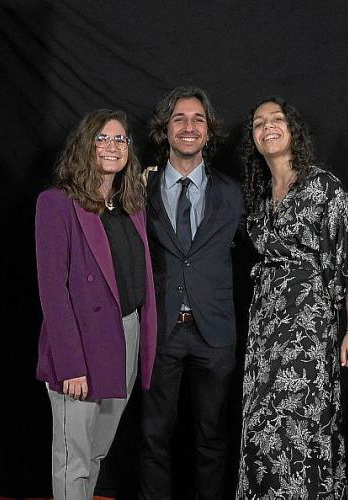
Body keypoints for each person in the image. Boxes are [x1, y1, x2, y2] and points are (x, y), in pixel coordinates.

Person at [236, 96, 348, 499]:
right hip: (264, 327)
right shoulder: (261, 195)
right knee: (262, 425)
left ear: (293, 129)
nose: (268, 127)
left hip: (308, 327)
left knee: (303, 422)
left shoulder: (323, 186)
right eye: (259, 123)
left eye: (277, 119)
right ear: (253, 138)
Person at [35, 109, 157, 500]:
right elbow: (53, 292)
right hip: (81, 341)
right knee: (74, 459)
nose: (112, 146)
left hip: (126, 334)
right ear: (85, 145)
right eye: (102, 138)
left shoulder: (131, 205)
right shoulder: (56, 203)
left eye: (120, 139)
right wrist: (70, 364)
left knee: (97, 452)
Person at [139, 87, 245, 500]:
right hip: (160, 331)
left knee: (212, 438)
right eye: (179, 118)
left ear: (209, 130)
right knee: (154, 438)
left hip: (214, 333)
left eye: (198, 119)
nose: (189, 126)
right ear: (165, 129)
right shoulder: (139, 189)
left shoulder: (232, 193)